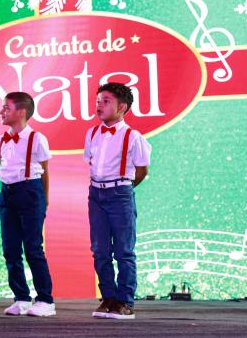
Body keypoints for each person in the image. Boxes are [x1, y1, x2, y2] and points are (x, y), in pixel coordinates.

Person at [85, 82, 151, 320]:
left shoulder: (133, 137)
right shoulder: (92, 133)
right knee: (100, 250)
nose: (99, 105)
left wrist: (123, 189)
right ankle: (108, 298)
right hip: (96, 194)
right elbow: (91, 162)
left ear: (122, 107)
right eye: (98, 101)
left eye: (106, 101)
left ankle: (125, 301)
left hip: (120, 194)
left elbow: (142, 170)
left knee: (124, 250)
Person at [0, 92, 55, 317]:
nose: (2, 111)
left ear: (21, 112)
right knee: (10, 249)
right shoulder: (1, 140)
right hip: (7, 194)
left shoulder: (37, 138)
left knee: (32, 247)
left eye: (6, 108)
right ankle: (21, 297)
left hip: (30, 192)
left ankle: (45, 300)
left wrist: (44, 199)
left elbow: (45, 171)